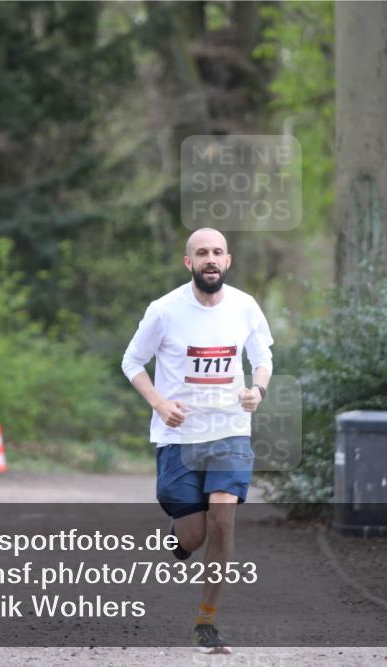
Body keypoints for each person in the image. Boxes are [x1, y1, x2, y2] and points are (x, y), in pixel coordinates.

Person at [121, 227, 273, 653]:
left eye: (217, 252)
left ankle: (207, 621)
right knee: (193, 537)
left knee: (223, 523)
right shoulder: (165, 310)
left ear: (228, 261)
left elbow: (262, 359)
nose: (210, 258)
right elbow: (131, 360)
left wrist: (257, 390)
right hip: (179, 435)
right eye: (202, 252)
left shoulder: (245, 307)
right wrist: (158, 402)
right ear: (189, 262)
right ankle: (178, 533)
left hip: (230, 432)